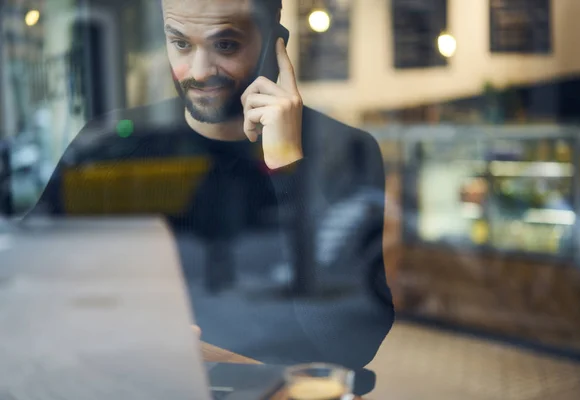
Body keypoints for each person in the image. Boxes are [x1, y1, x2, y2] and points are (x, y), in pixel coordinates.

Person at [30, 0, 394, 395]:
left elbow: (351, 344)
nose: (200, 73)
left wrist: (286, 167)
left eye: (225, 46)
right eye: (181, 44)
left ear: (275, 39)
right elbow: (22, 279)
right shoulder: (110, 145)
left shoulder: (346, 149)